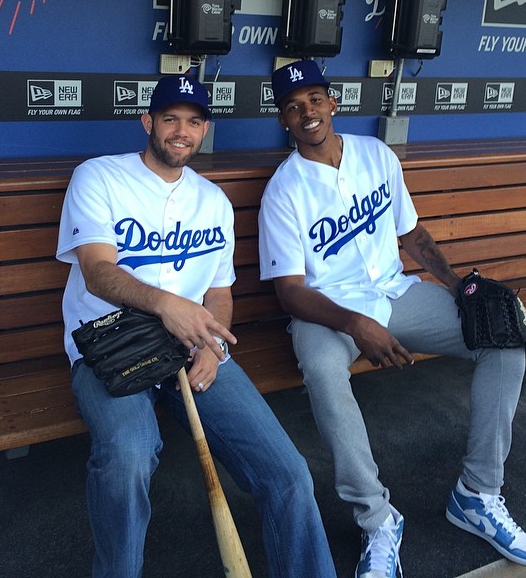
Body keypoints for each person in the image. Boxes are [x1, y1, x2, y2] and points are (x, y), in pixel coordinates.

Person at [258, 59, 526, 578]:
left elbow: (411, 234)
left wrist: (458, 286)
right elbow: (290, 294)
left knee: (502, 336)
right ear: (283, 120)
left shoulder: (376, 155)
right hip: (328, 310)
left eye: (315, 100)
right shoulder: (283, 190)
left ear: (333, 103)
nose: (307, 113)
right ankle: (376, 518)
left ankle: (478, 495)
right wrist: (355, 325)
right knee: (324, 372)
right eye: (294, 107)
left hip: (395, 291)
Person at [56, 74, 337, 578]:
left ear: (204, 130)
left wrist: (213, 346)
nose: (180, 131)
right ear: (148, 122)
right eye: (169, 119)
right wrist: (167, 305)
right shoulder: (98, 176)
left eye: (192, 121)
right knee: (128, 458)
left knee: (289, 473)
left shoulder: (213, 200)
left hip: (192, 347)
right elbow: (98, 273)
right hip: (110, 344)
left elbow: (219, 293)